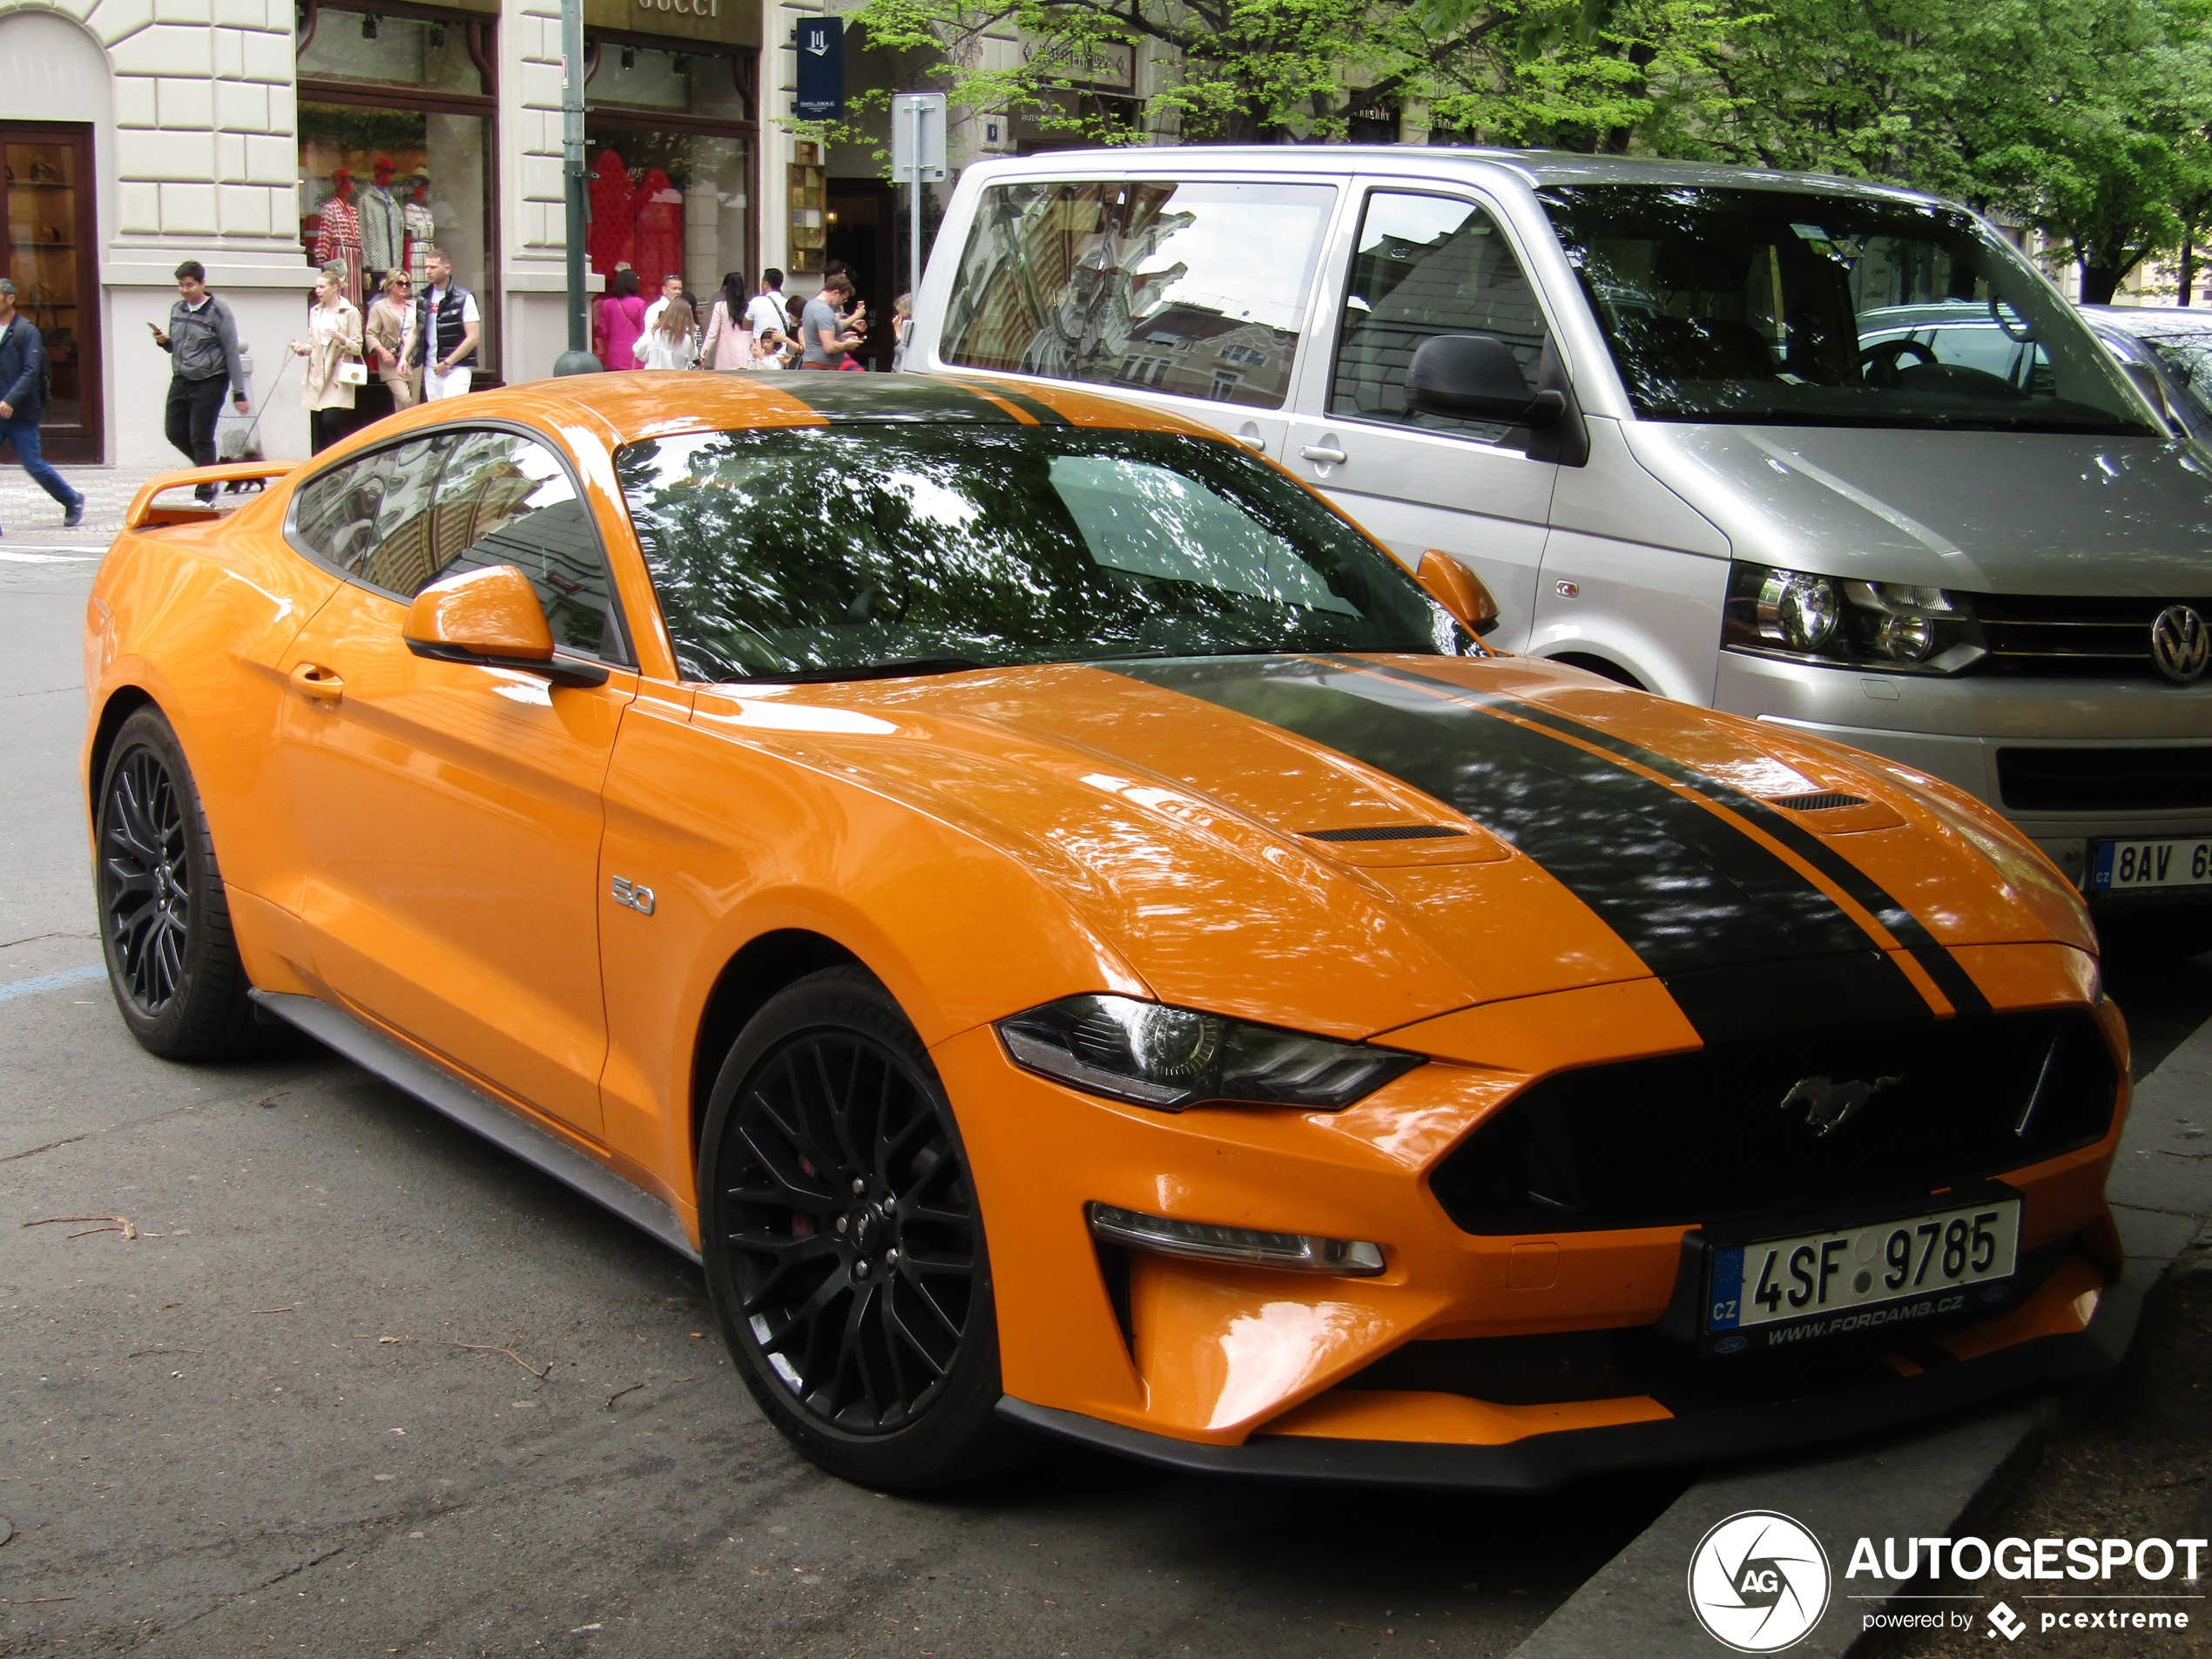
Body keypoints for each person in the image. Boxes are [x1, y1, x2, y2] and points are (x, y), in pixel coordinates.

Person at [152, 260, 251, 502]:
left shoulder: (219, 311)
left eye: (190, 285)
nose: (185, 290)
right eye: (181, 285)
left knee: (201, 436)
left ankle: (205, 493)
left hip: (210, 380)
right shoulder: (177, 309)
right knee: (174, 432)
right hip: (182, 378)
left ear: (202, 283)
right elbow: (177, 347)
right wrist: (164, 342)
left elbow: (230, 352)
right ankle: (211, 470)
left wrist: (239, 393)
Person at [0, 276, 84, 532]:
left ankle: (72, 499)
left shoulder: (27, 331)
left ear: (10, 299)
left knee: (33, 464)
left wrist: (10, 400)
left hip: (21, 411)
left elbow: (31, 370)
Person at [290, 261, 363, 453]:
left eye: (322, 287)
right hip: (317, 373)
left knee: (330, 421)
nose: (318, 290)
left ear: (335, 288)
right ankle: (321, 467)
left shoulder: (350, 312)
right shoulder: (315, 311)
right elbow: (313, 344)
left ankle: (347, 454)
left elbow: (357, 347)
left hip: (338, 373)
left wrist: (341, 338)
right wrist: (301, 349)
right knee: (319, 427)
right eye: (317, 287)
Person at [410, 246, 480, 400]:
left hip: (456, 368)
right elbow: (415, 331)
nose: (428, 271)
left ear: (447, 269)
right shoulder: (423, 297)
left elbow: (473, 338)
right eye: (426, 267)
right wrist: (404, 358)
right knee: (437, 416)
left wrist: (448, 363)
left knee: (452, 411)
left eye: (433, 267)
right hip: (431, 368)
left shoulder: (464, 298)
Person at [364, 269, 419, 410]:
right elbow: (370, 334)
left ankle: (403, 429)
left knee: (413, 402)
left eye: (407, 284)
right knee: (404, 398)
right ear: (390, 285)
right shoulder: (379, 307)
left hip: (415, 358)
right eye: (400, 283)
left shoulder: (414, 305)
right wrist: (383, 352)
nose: (404, 287)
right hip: (392, 360)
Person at [698, 272, 755, 371]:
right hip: (748, 355)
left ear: (725, 289)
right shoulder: (750, 306)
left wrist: (703, 356)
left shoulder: (720, 307)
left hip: (727, 357)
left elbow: (712, 335)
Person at [801, 274, 856, 370]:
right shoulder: (824, 310)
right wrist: (846, 344)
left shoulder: (810, 305)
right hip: (822, 369)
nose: (842, 303)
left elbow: (818, 336)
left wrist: (842, 337)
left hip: (813, 365)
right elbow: (830, 347)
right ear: (836, 293)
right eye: (843, 299)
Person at [597, 268, 646, 371]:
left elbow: (603, 332)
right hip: (634, 354)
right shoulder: (640, 304)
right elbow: (644, 330)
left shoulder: (607, 304)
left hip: (614, 354)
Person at [640, 296, 697, 369]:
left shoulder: (653, 333)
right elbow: (693, 355)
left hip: (652, 378)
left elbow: (638, 351)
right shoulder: (687, 339)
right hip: (677, 378)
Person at [745, 268, 790, 341]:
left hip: (759, 350)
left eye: (762, 283)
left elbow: (746, 325)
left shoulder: (756, 301)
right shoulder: (787, 303)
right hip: (782, 350)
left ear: (766, 284)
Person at [641, 272, 685, 342]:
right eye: (674, 289)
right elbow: (650, 335)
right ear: (664, 290)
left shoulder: (683, 309)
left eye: (680, 289)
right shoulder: (654, 309)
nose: (678, 292)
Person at [890, 291, 914, 372]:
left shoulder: (916, 333)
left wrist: (898, 335)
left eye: (901, 315)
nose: (897, 319)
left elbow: (908, 359)